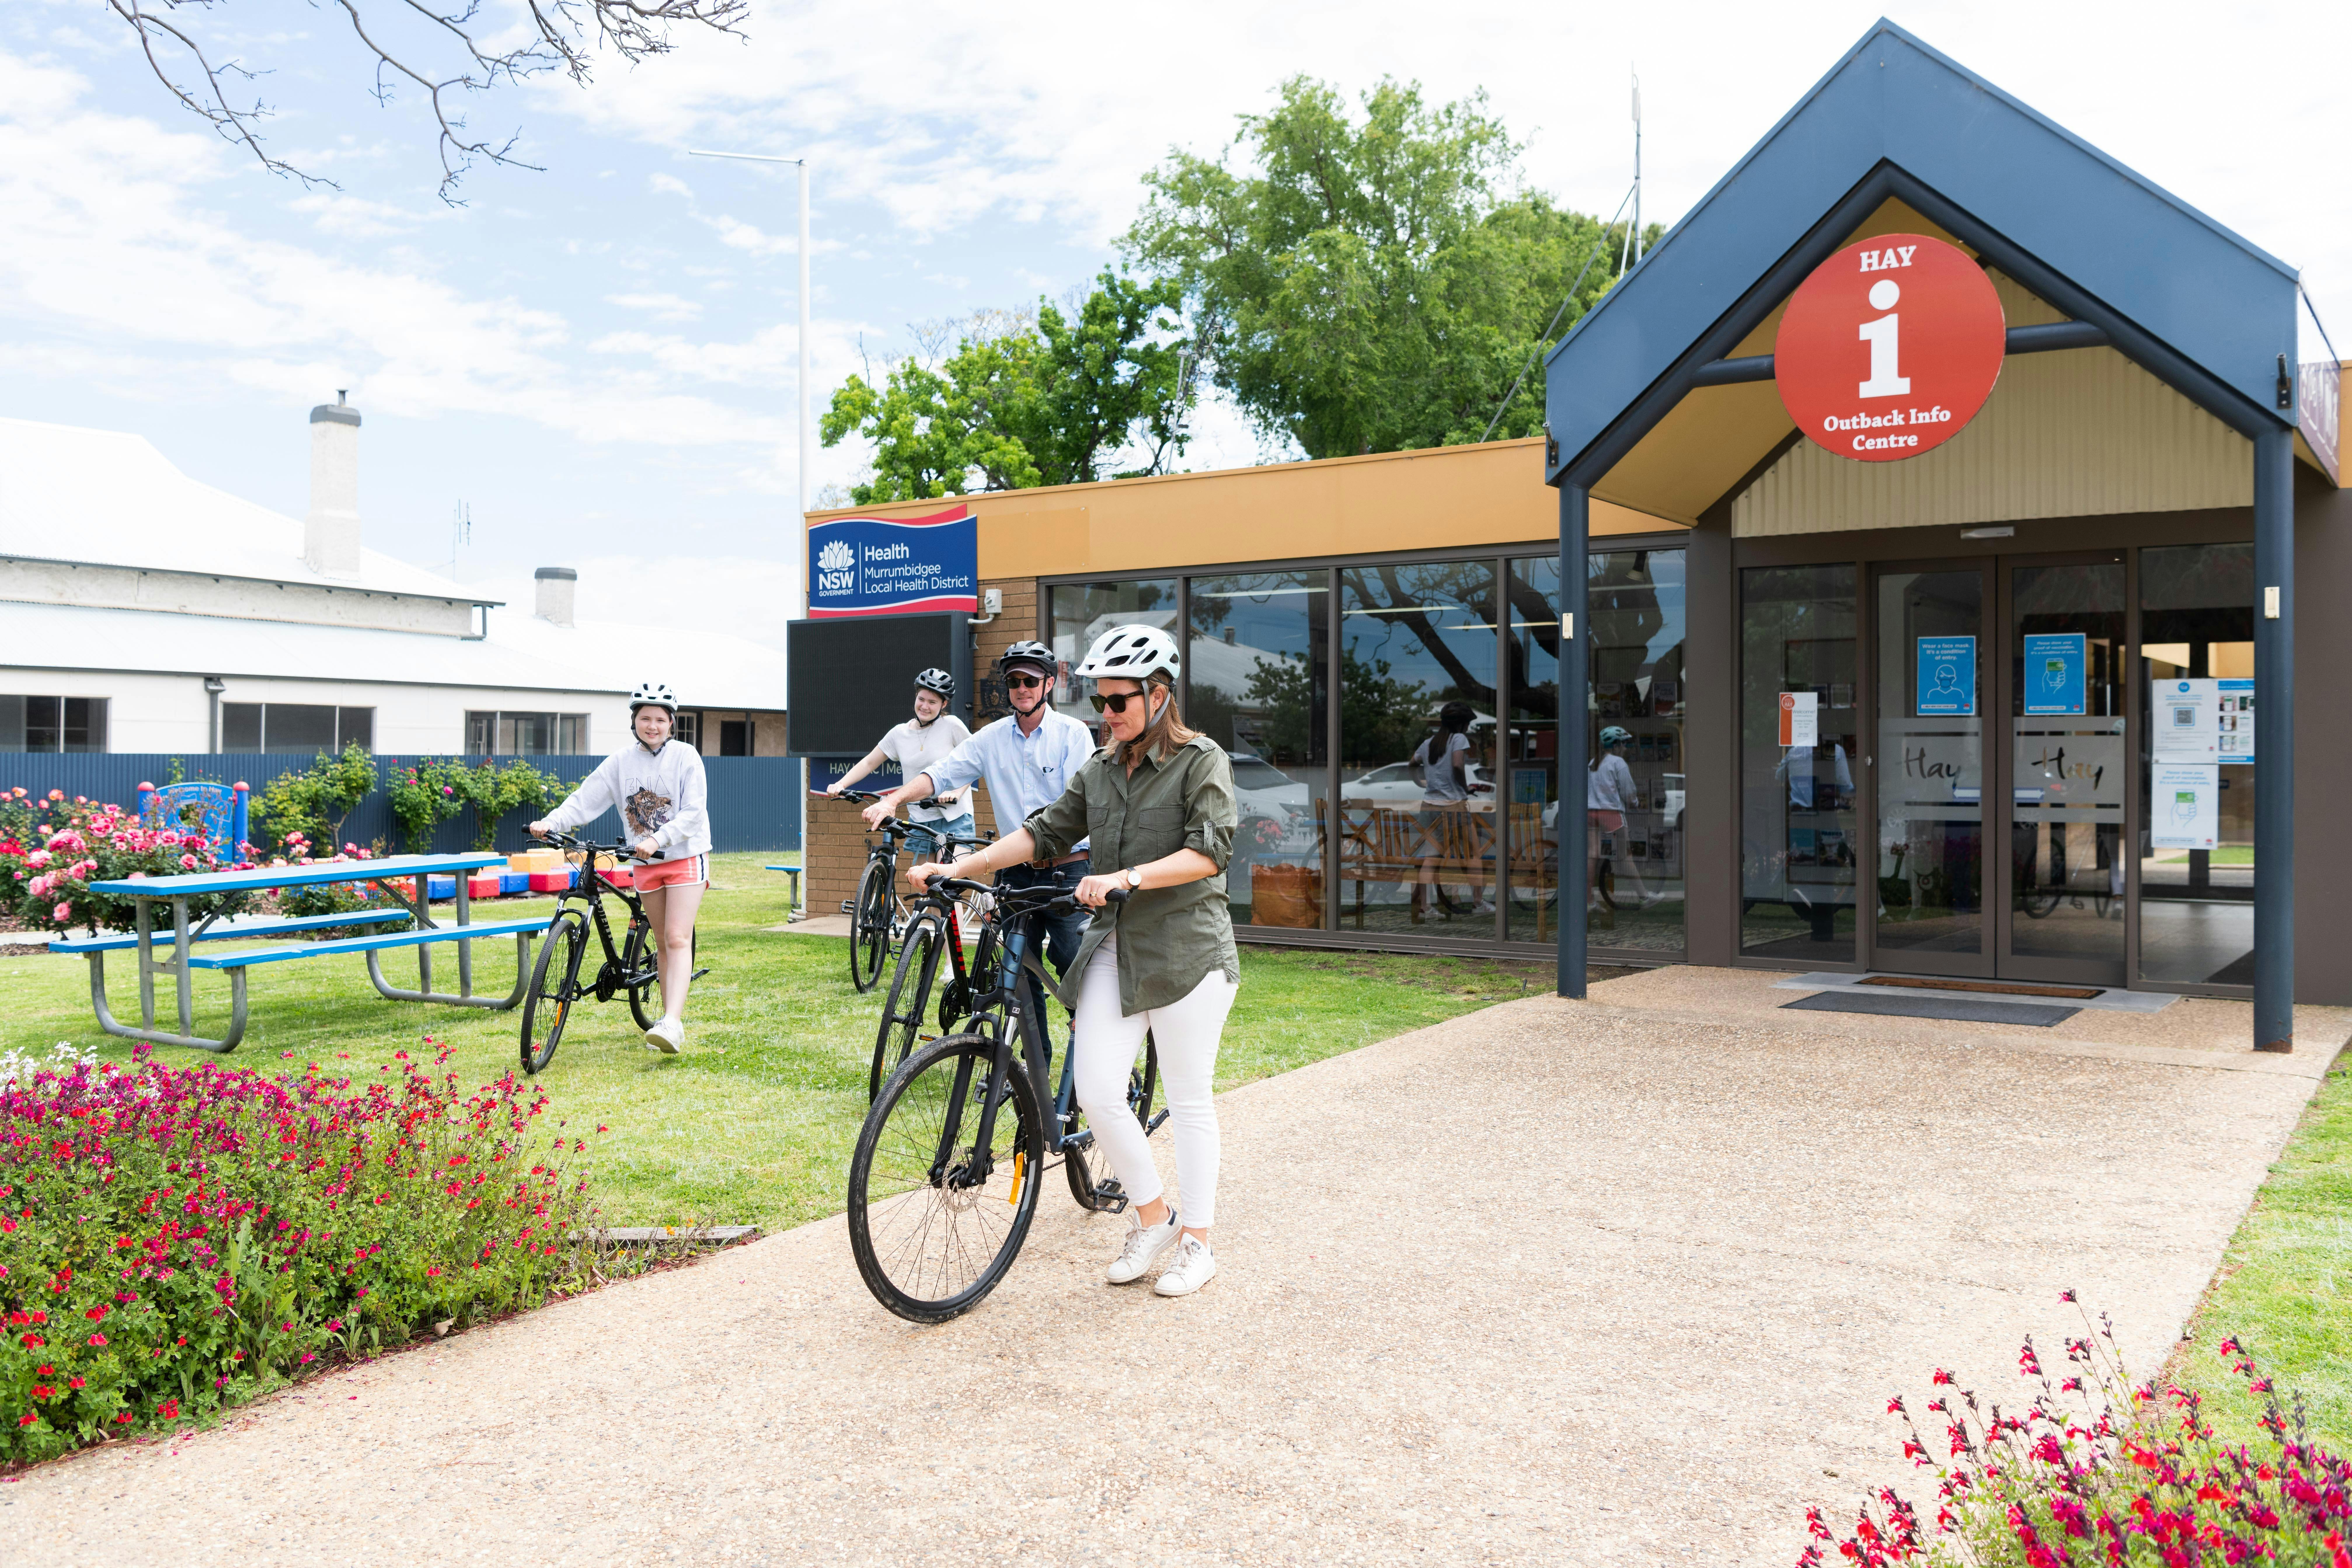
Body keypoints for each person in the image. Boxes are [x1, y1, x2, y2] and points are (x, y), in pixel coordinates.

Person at [906, 624, 1238, 1298]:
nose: (1107, 715)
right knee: (1096, 1092)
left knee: (1189, 1098)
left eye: (1119, 702)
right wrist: (960, 866)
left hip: (1187, 949)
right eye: (1101, 702)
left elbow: (1210, 851)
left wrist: (1129, 877)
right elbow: (1043, 831)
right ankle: (1155, 1218)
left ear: (1160, 695)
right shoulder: (1101, 766)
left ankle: (1198, 1242)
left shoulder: (1201, 761)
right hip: (1117, 946)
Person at [862, 640, 1096, 984]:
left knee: (1079, 974)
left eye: (1031, 681)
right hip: (1015, 873)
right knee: (1015, 975)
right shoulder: (992, 737)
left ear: (1049, 683)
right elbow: (941, 774)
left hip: (1068, 870)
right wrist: (891, 801)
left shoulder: (1072, 735)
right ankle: (1033, 1041)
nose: (1022, 689)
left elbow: (1079, 810)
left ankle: (1083, 1035)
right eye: (1014, 681)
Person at [529, 681, 709, 1054]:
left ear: (672, 723)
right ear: (635, 721)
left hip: (685, 857)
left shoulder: (687, 757)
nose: (653, 725)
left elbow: (694, 813)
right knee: (660, 941)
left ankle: (672, 1023)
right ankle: (664, 1019)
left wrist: (658, 840)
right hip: (644, 862)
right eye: (646, 718)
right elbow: (585, 799)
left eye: (660, 719)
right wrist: (552, 822)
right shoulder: (621, 762)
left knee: (677, 938)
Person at [825, 667, 973, 864]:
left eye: (933, 702)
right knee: (924, 887)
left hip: (955, 817)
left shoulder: (951, 725)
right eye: (922, 699)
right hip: (921, 821)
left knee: (946, 882)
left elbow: (974, 762)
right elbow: (870, 762)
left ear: (944, 704)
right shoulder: (899, 734)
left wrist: (957, 792)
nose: (925, 706)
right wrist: (841, 784)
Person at [1411, 699, 1492, 922]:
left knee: (1431, 858)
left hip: (1429, 806)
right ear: (1461, 724)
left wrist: (1422, 783)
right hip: (1454, 807)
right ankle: (1478, 903)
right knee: (1474, 855)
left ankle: (1425, 908)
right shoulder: (1459, 739)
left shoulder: (1428, 743)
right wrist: (1464, 787)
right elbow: (1458, 765)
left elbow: (1412, 764)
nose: (1468, 728)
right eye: (1467, 723)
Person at [1586, 725, 1658, 925]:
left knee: (1592, 855)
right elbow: (1629, 793)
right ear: (1616, 745)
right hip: (1611, 813)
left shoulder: (1594, 762)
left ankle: (1589, 901)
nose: (1626, 747)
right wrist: (1635, 804)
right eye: (1624, 743)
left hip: (1591, 812)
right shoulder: (1618, 763)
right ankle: (1644, 897)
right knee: (1625, 856)